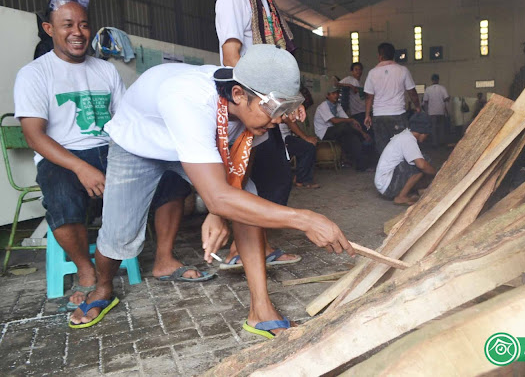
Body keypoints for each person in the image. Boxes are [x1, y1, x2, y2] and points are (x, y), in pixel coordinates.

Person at [68, 45, 354, 334]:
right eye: (276, 110)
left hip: (192, 144)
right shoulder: (189, 98)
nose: (280, 120)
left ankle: (260, 311)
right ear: (240, 95)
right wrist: (305, 219)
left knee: (248, 204)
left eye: (286, 110)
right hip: (140, 145)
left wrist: (221, 211)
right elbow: (219, 197)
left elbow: (239, 175)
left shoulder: (255, 109)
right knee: (119, 235)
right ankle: (102, 289)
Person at [13, 0, 199, 310]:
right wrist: (81, 168)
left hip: (111, 147)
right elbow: (34, 136)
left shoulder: (105, 70)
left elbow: (126, 120)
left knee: (171, 177)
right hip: (63, 154)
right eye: (67, 24)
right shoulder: (35, 74)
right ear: (49, 29)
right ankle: (87, 274)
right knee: (61, 193)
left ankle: (164, 260)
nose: (78, 32)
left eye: (84, 25)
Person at [215, 0, 301, 269]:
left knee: (273, 180)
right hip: (251, 107)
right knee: (266, 179)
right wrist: (255, 106)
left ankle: (254, 246)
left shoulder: (265, 2)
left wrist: (287, 102)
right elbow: (231, 57)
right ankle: (242, 249)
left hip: (267, 106)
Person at [364, 43, 421, 154]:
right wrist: (418, 106)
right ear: (393, 55)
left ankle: (387, 171)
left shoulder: (372, 73)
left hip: (379, 116)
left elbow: (368, 97)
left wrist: (367, 115)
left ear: (380, 56)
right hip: (398, 115)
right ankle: (401, 171)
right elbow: (412, 92)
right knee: (402, 147)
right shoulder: (402, 70)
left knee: (383, 149)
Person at [375, 113, 437, 205]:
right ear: (423, 132)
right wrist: (437, 174)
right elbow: (422, 165)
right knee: (421, 164)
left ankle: (419, 189)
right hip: (388, 186)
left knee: (421, 160)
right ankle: (401, 197)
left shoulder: (406, 135)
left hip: (385, 184)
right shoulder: (408, 139)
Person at [315, 88, 371, 171]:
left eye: (337, 93)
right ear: (327, 95)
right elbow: (334, 120)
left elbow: (347, 120)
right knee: (345, 126)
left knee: (352, 138)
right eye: (333, 93)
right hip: (324, 133)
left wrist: (362, 133)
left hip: (337, 131)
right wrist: (351, 120)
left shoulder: (337, 106)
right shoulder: (323, 106)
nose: (336, 95)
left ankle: (361, 166)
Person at [422, 73, 450, 148]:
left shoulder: (428, 89)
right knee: (441, 127)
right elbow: (447, 98)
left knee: (433, 128)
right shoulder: (442, 88)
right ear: (438, 79)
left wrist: (426, 111)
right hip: (441, 111)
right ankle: (441, 142)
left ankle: (434, 143)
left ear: (432, 80)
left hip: (432, 112)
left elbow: (425, 101)